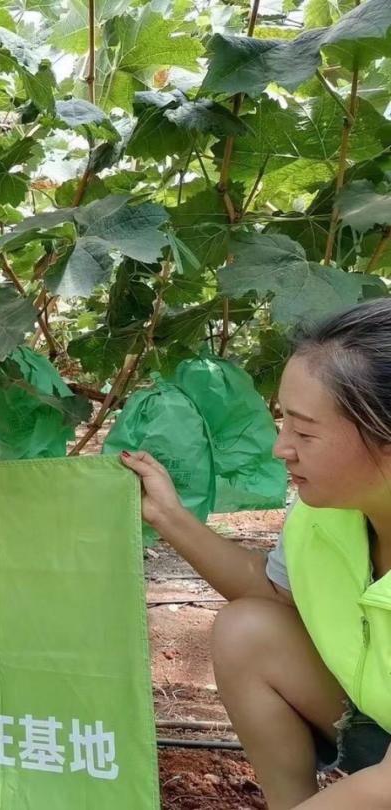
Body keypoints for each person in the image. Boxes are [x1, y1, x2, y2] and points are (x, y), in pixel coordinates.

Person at [122, 299, 391, 809]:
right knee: (248, 630)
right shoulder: (324, 516)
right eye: (283, 422)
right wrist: (169, 516)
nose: (279, 448)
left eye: (304, 432)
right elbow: (271, 593)